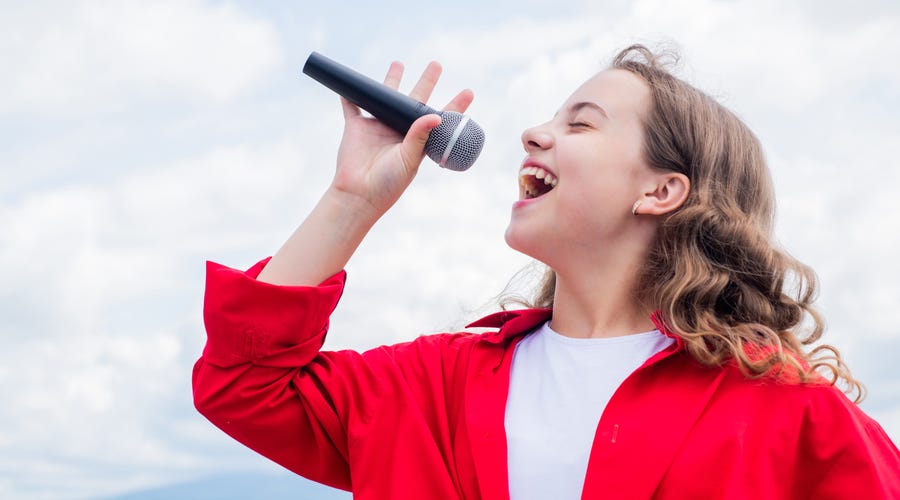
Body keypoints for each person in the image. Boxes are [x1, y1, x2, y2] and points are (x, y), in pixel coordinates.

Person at [193, 45, 900, 499]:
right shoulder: (431, 387)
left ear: (660, 191)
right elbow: (243, 385)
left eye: (581, 124)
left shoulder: (791, 416)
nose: (535, 133)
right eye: (551, 119)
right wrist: (351, 200)